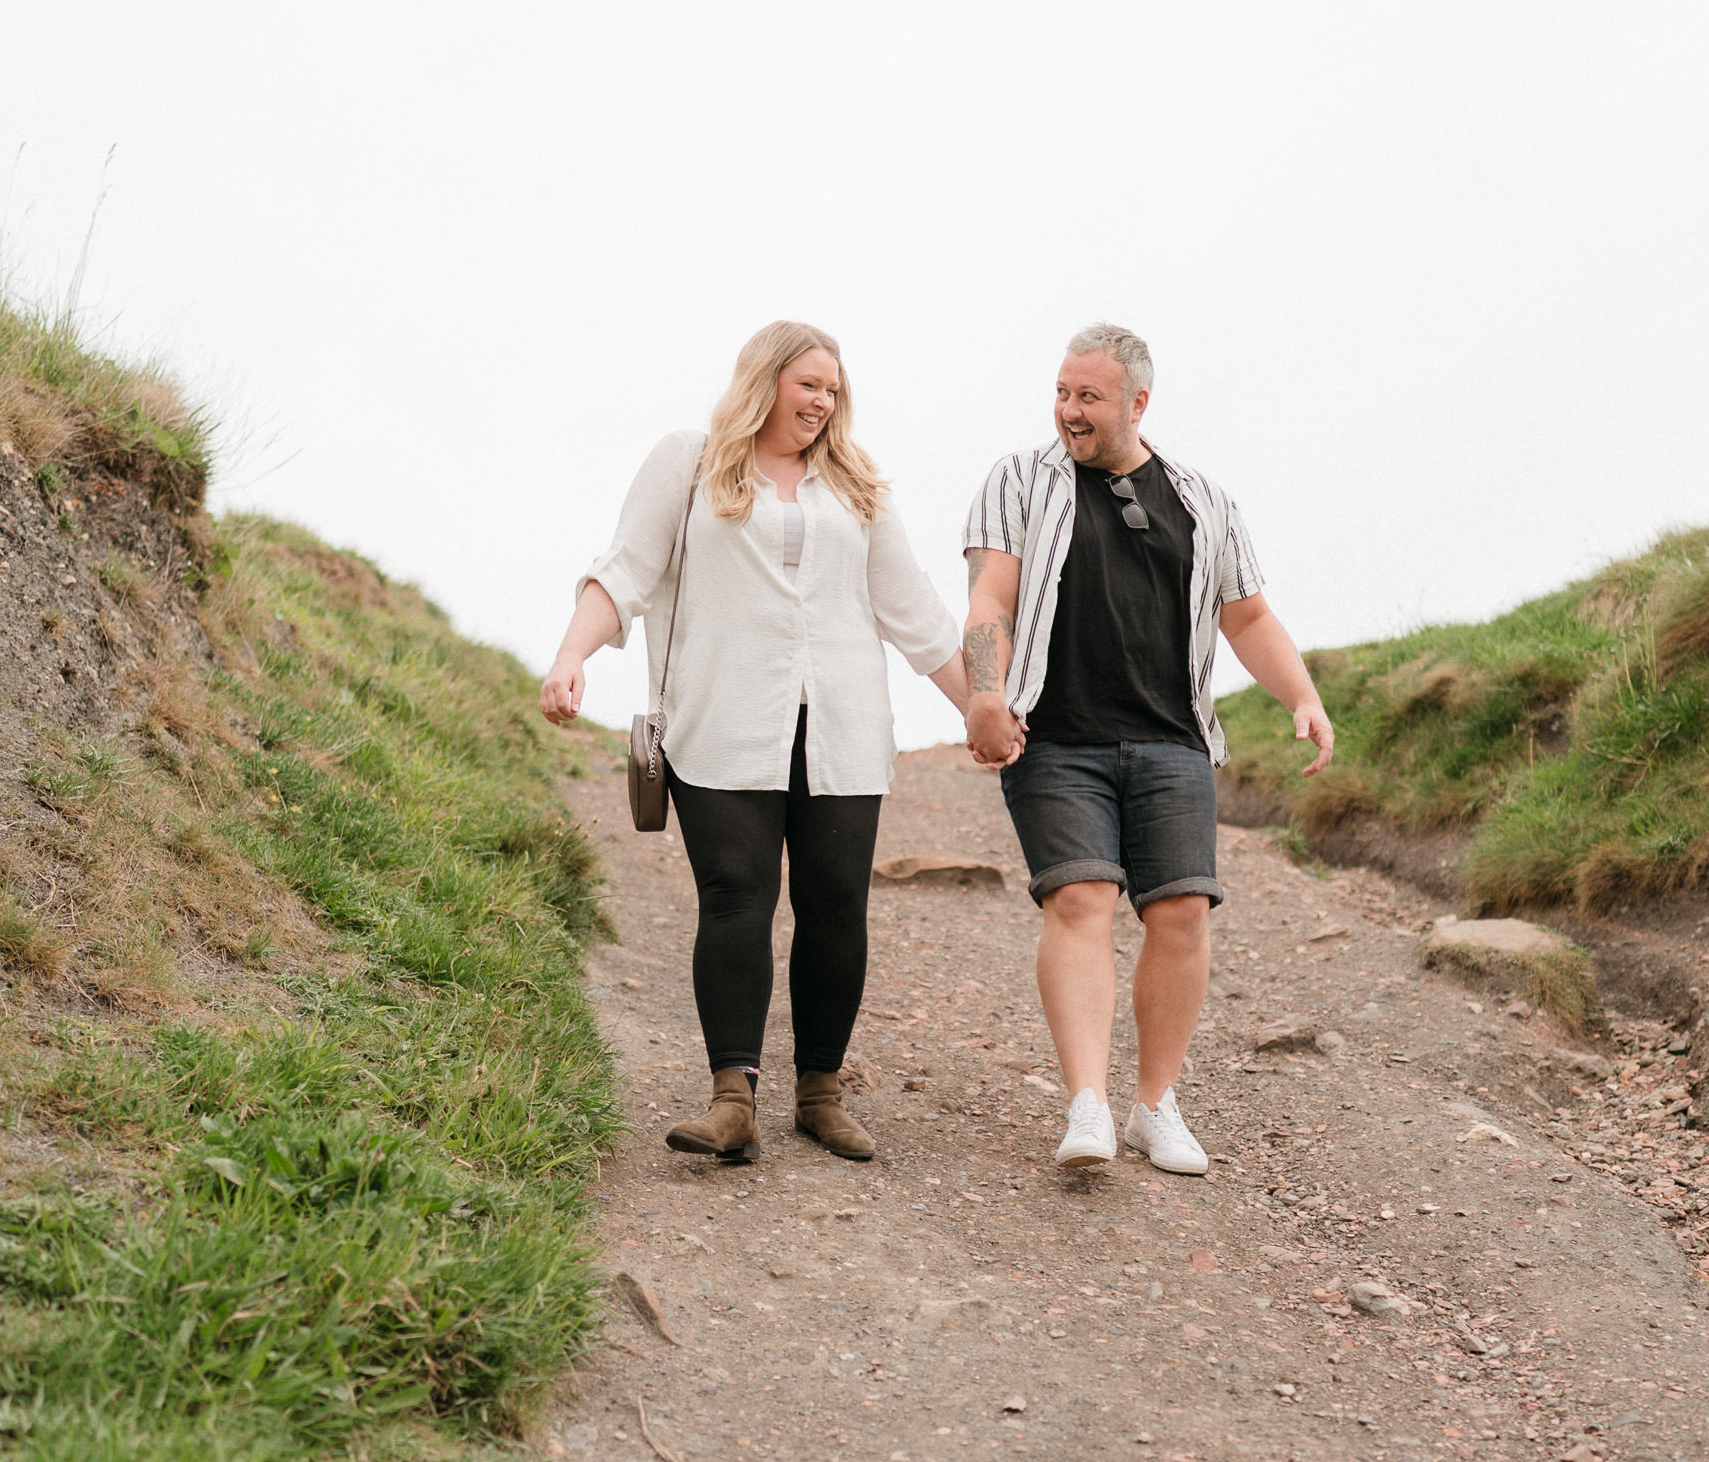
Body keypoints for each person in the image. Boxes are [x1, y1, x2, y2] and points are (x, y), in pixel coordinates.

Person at [542, 322, 968, 1165]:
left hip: (843, 726)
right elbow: (624, 570)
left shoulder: (856, 485)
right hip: (723, 721)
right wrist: (570, 655)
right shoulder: (690, 463)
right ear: (765, 379)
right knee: (736, 895)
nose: (823, 402)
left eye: (834, 389)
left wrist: (982, 707)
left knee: (836, 903)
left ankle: (820, 1094)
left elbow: (913, 609)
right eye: (809, 383)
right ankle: (731, 1099)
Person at [960, 323, 1334, 1176]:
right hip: (1056, 738)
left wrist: (1303, 697)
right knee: (1081, 897)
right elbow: (991, 596)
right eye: (1061, 392)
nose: (1068, 410)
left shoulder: (1204, 500)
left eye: (1087, 396)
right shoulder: (1017, 480)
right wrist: (985, 691)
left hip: (1172, 740)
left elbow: (1248, 615)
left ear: (1138, 402)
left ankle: (1153, 1105)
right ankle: (1087, 1103)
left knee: (1182, 914)